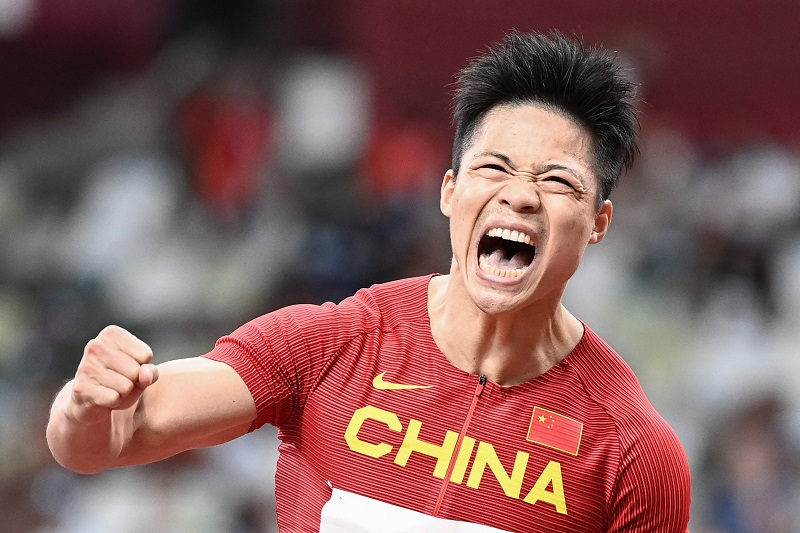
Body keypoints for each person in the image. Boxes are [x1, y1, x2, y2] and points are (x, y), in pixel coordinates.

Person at [47, 30, 692, 532]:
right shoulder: (329, 346)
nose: (520, 196)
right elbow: (108, 440)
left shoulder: (634, 453)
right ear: (449, 191)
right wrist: (85, 405)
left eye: (556, 181)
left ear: (598, 222)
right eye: (494, 168)